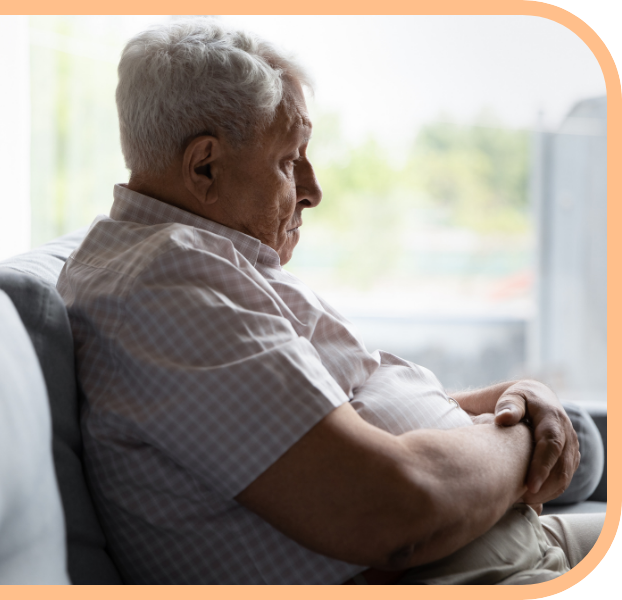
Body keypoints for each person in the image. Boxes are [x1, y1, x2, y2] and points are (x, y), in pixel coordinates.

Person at [56, 18, 604, 584]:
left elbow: (339, 414)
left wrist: (503, 402)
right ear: (204, 166)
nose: (313, 190)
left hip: (497, 540)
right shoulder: (164, 288)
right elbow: (391, 510)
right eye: (290, 160)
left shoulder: (203, 259)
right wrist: (521, 442)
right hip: (464, 571)